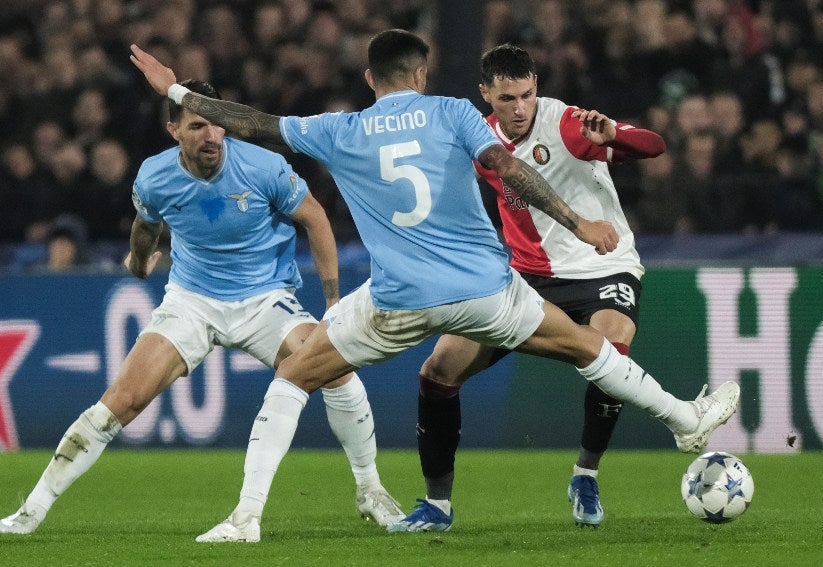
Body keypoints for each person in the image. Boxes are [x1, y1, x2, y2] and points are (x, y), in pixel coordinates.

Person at [128, 29, 739, 539]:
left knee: (293, 376)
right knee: (588, 349)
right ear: (421, 75)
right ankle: (684, 417)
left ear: (370, 80)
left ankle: (246, 518)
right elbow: (508, 168)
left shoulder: (338, 131)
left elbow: (253, 123)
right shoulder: (453, 114)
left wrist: (177, 90)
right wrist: (579, 221)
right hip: (487, 292)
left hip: (397, 300)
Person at [0, 80, 403, 541]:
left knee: (335, 370)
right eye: (197, 125)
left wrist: (331, 301)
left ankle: (370, 489)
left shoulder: (264, 166)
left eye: (217, 123)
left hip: (265, 297)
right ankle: (29, 512)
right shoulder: (154, 176)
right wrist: (136, 262)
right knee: (121, 402)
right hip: (192, 301)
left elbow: (315, 218)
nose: (211, 135)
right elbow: (145, 227)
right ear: (174, 129)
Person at [395, 43, 667, 531]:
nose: (519, 109)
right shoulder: (477, 139)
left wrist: (615, 136)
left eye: (525, 95)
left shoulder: (565, 124)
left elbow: (654, 146)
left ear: (536, 86)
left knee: (611, 353)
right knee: (438, 370)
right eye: (506, 99)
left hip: (602, 265)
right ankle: (436, 506)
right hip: (525, 278)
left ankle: (585, 473)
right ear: (486, 95)